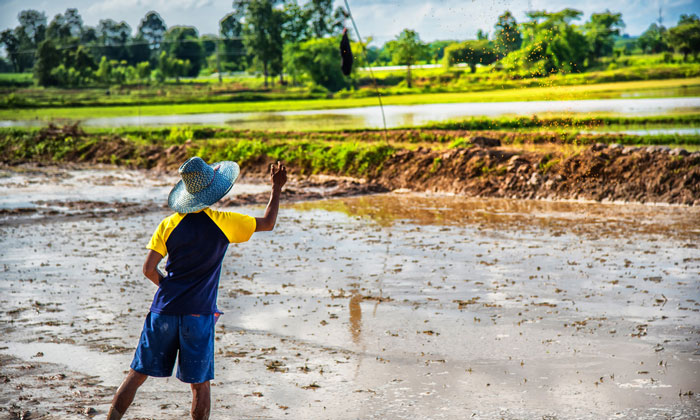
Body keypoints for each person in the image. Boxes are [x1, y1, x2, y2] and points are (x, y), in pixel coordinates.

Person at [107, 157, 287, 420]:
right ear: (214, 191)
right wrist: (276, 188)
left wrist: (170, 289)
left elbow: (148, 270)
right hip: (197, 315)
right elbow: (268, 222)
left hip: (164, 312)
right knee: (200, 385)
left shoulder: (168, 225)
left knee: (137, 374)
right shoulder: (225, 222)